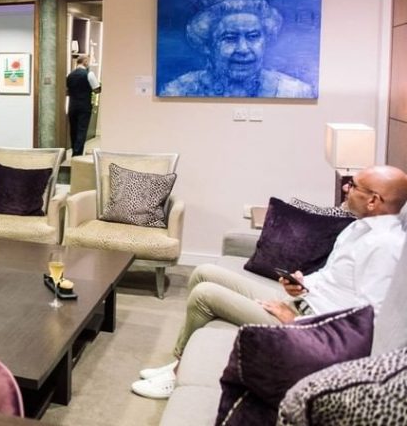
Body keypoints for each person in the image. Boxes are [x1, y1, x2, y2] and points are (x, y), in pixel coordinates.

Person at [131, 164, 407, 399]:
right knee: (204, 271)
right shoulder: (358, 228)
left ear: (374, 201)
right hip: (301, 301)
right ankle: (180, 360)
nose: (346, 188)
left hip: (310, 327)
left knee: (205, 294)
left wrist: (298, 321)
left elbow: (369, 320)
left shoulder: (385, 247)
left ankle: (176, 374)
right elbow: (333, 279)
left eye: (354, 185)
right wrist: (301, 283)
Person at [160, 0, 315, 98]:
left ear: (266, 39)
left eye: (253, 36)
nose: (243, 49)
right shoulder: (178, 90)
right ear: (207, 44)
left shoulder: (295, 92)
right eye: (230, 38)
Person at [65, 55, 101, 157]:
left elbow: (67, 91)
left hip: (72, 106)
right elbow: (97, 89)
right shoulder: (89, 74)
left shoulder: (70, 75)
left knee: (73, 130)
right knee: (82, 130)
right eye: (88, 61)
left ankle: (74, 150)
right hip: (84, 106)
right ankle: (77, 154)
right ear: (85, 61)